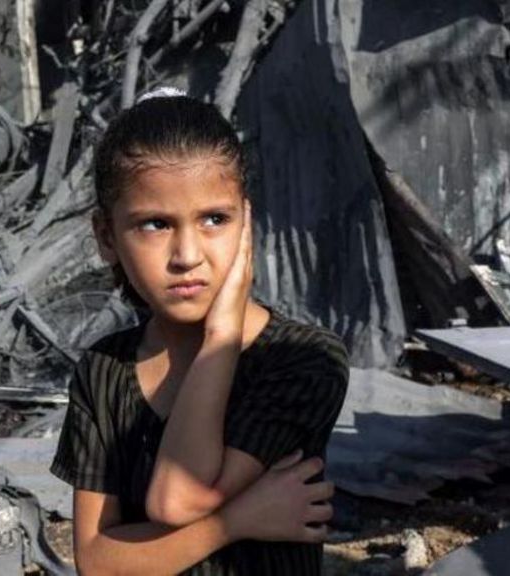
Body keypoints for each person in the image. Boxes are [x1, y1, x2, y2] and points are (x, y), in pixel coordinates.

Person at [49, 88, 349, 574]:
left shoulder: (303, 358)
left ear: (246, 222)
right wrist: (233, 522)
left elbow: (178, 498)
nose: (187, 256)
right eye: (155, 224)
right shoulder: (103, 371)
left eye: (214, 219)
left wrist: (223, 334)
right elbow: (98, 563)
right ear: (106, 236)